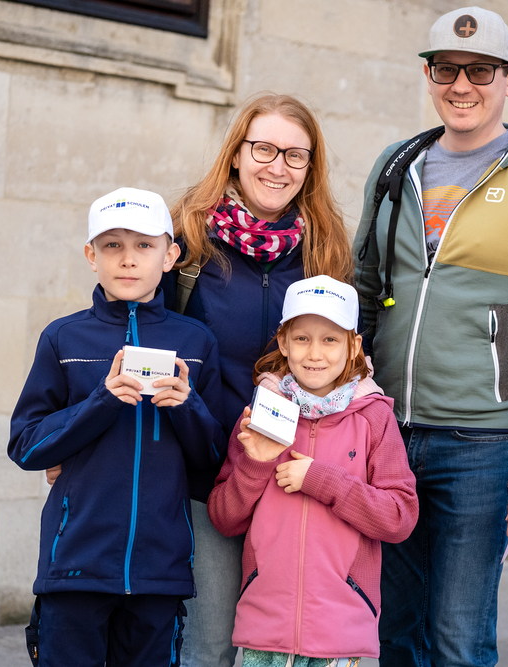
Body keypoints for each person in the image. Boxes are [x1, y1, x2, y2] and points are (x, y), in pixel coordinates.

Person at [353, 7, 508, 667]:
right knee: (392, 634)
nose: (461, 85)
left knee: (458, 640)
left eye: (481, 71)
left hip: (482, 447)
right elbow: (360, 294)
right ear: (429, 76)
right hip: (387, 436)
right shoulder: (396, 165)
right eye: (446, 69)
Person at [163, 94, 355, 667]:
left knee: (286, 646)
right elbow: (132, 332)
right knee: (210, 647)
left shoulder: (326, 248)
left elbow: (350, 359)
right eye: (264, 149)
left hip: (296, 477)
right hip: (209, 474)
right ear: (236, 154)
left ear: (310, 167)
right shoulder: (187, 240)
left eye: (295, 155)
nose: (278, 166)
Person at [9, 187, 225, 667]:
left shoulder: (195, 341)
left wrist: (187, 407)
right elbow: (25, 445)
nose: (128, 259)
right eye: (112, 245)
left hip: (159, 573)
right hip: (74, 567)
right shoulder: (63, 337)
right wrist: (100, 403)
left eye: (144, 245)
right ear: (92, 256)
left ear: (169, 257)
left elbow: (213, 461)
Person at [207, 275, 419, 666]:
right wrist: (256, 464)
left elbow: (399, 517)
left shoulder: (374, 418)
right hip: (265, 627)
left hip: (340, 630)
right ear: (284, 342)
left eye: (330, 339)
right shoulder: (262, 414)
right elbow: (223, 518)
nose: (315, 353)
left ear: (353, 346)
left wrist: (321, 480)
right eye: (302, 338)